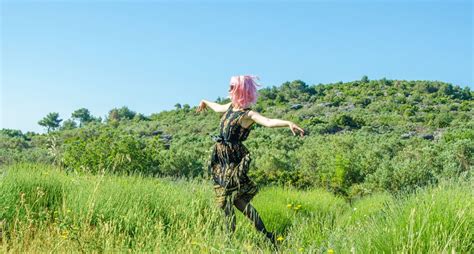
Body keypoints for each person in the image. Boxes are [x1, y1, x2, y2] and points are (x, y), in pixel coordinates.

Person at [196, 75, 304, 245]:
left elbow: (268, 122)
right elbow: (217, 109)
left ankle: (229, 241)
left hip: (233, 160)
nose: (229, 89)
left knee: (227, 200)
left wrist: (288, 123)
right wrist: (204, 101)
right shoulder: (231, 107)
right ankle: (267, 237)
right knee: (237, 200)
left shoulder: (248, 114)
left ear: (240, 90)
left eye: (232, 87)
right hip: (221, 159)